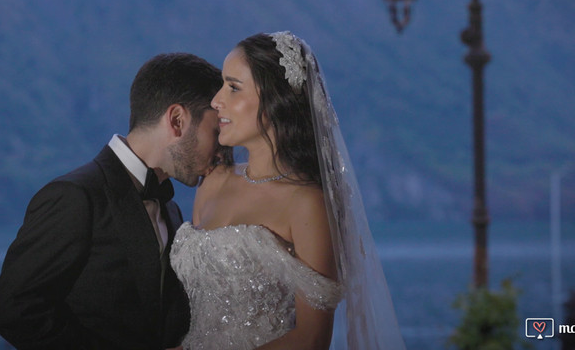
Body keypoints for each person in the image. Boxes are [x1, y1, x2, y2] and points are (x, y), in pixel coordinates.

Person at [170, 33, 406, 350]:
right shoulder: (212, 181)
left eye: (234, 87)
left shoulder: (307, 203)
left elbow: (312, 339)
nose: (216, 100)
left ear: (275, 100)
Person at [0, 53, 224, 350]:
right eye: (216, 133)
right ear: (177, 120)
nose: (221, 151)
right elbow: (12, 309)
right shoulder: (74, 196)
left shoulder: (172, 210)